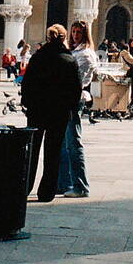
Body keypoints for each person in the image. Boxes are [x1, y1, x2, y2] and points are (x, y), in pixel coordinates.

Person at [21, 25, 82, 202]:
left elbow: (27, 84)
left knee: (32, 150)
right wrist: (69, 107)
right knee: (53, 152)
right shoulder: (69, 60)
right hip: (59, 113)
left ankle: (24, 188)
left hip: (37, 111)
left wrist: (28, 103)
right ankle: (46, 192)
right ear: (64, 38)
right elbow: (76, 89)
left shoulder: (38, 57)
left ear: (48, 38)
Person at [57, 20, 94, 196]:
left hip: (74, 99)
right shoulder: (75, 51)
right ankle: (65, 183)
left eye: (79, 32)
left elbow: (80, 79)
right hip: (66, 99)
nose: (75, 35)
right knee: (65, 143)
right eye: (73, 32)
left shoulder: (85, 54)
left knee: (73, 143)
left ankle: (81, 186)